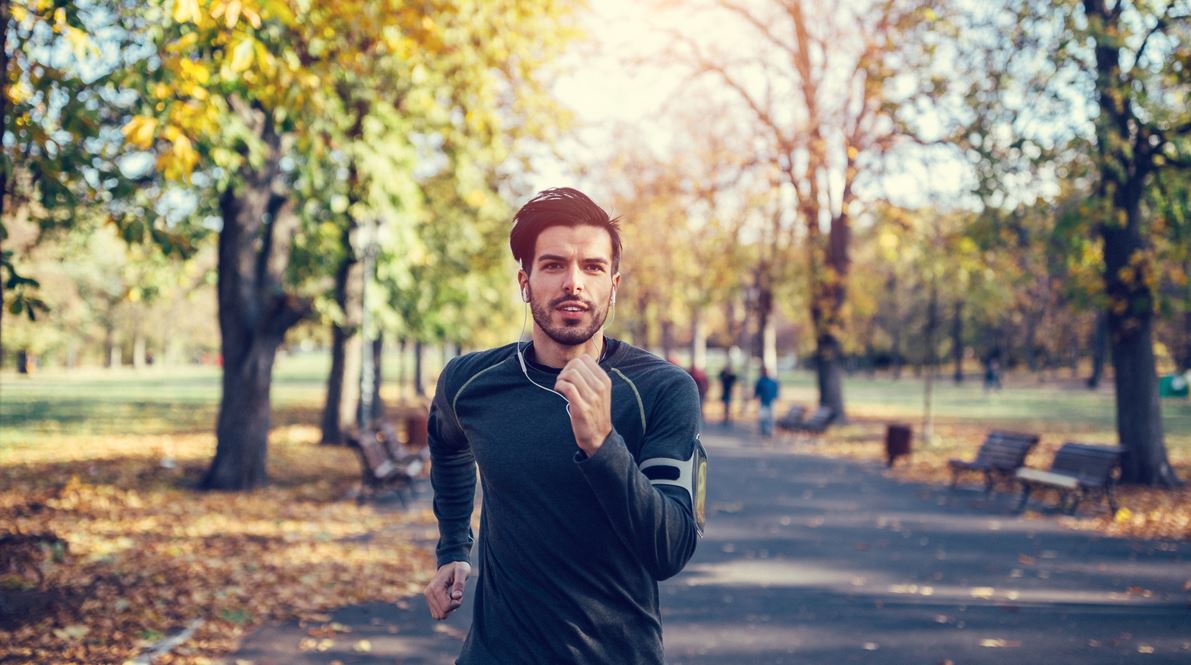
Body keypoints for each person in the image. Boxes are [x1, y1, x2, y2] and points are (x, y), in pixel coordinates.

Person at [423, 187, 706, 664]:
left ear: (613, 286)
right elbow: (447, 445)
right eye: (553, 265)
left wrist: (602, 445)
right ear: (524, 282)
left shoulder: (662, 389)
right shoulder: (470, 382)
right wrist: (453, 545)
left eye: (592, 267)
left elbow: (669, 549)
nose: (573, 283)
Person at [754, 366, 780, 437]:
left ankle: (769, 430)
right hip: (763, 401)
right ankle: (763, 430)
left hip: (771, 400)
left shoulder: (773, 381)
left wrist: (776, 397)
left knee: (771, 417)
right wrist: (756, 396)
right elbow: (757, 391)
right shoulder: (760, 381)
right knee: (762, 416)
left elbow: (777, 390)